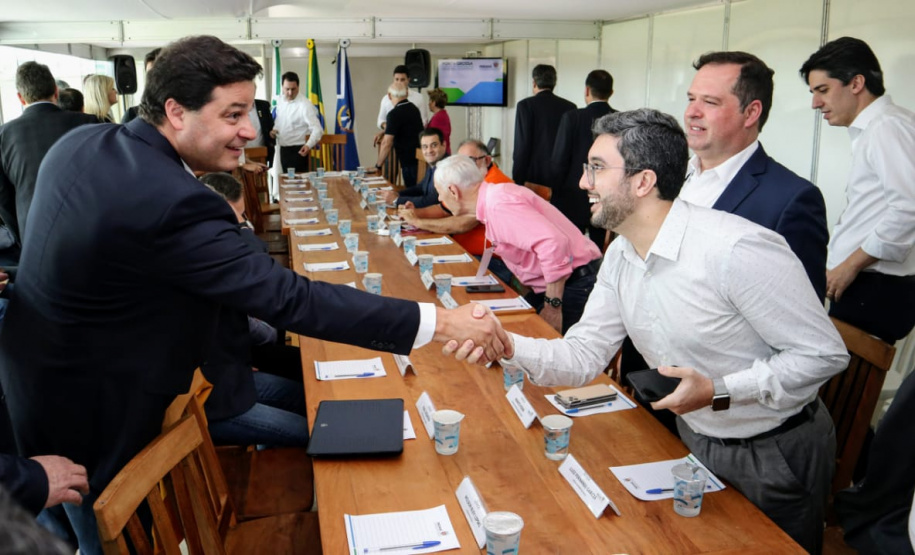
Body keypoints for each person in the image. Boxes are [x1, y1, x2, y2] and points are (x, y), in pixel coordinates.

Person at [0, 35, 510, 555]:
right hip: (95, 411)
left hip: (33, 387)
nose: (250, 129)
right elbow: (291, 300)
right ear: (176, 111)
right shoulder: (170, 200)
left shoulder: (84, 143)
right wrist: (442, 322)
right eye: (234, 114)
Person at [480, 109, 848, 554]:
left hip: (773, 452)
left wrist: (719, 390)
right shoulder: (620, 254)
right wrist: (502, 342)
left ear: (643, 181)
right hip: (694, 435)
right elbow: (581, 356)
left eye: (596, 169)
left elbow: (823, 354)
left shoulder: (735, 250)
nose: (583, 183)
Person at [800, 37, 915, 342]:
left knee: (843, 388)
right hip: (867, 285)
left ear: (856, 83)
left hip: (874, 287)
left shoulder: (887, 127)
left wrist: (849, 266)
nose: (815, 103)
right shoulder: (882, 127)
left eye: (822, 90)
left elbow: (908, 209)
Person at [198, 172, 308, 447]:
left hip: (231, 376)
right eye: (236, 220)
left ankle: (265, 443)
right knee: (314, 432)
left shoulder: (211, 256)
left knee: (305, 395)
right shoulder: (200, 265)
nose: (242, 227)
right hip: (212, 403)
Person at [434, 155, 602, 333]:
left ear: (453, 191)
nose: (439, 198)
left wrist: (552, 307)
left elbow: (553, 244)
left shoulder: (498, 205)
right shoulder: (495, 197)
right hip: (562, 284)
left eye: (439, 191)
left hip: (575, 285)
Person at [0, 62, 98, 249]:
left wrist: (22, 232)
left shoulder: (4, 135)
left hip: (33, 233)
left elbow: (3, 198)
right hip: (86, 225)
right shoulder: (87, 122)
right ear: (56, 91)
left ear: (20, 98)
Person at [551, 69, 617, 251]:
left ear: (587, 90)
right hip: (604, 195)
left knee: (569, 247)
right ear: (611, 93)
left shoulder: (572, 117)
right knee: (598, 247)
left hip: (570, 197)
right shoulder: (620, 120)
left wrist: (555, 192)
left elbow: (559, 160)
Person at [512, 64, 575, 188]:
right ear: (554, 83)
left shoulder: (525, 106)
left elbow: (522, 146)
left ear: (534, 82)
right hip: (562, 177)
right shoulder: (570, 107)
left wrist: (517, 179)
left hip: (533, 177)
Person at [270, 71, 323, 175]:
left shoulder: (305, 105)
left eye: (293, 89)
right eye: (287, 89)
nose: (290, 93)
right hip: (281, 149)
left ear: (298, 87)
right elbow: (280, 122)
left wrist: (308, 145)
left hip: (297, 151)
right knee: (284, 184)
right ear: (282, 87)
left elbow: (318, 130)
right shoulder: (280, 100)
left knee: (298, 186)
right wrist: (274, 130)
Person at [373, 84, 423, 188]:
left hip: (408, 162)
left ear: (389, 96)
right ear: (407, 93)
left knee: (412, 194)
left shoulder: (393, 114)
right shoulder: (414, 109)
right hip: (420, 159)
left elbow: (387, 143)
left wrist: (378, 165)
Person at [383, 127, 447, 208]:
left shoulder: (446, 168)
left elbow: (431, 201)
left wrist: (398, 200)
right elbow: (420, 187)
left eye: (434, 145)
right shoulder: (434, 164)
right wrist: (398, 194)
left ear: (444, 145)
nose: (429, 151)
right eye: (425, 147)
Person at [374, 64, 429, 143]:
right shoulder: (386, 98)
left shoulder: (418, 97)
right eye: (397, 79)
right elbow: (380, 120)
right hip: (392, 141)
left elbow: (424, 121)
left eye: (402, 80)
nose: (399, 82)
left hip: (411, 141)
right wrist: (388, 127)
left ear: (408, 80)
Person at [122, 48, 161, 124]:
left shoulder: (186, 116)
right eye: (150, 74)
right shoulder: (132, 115)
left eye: (158, 73)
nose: (153, 79)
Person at [426, 88, 451, 154]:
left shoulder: (438, 118)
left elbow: (433, 136)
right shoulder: (441, 115)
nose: (428, 104)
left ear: (434, 103)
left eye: (430, 101)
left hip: (440, 153)